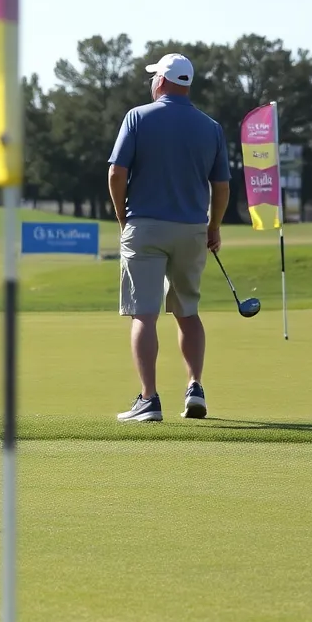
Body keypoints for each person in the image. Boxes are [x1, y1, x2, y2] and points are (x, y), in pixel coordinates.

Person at [108, 53, 230, 423]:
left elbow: (116, 173)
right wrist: (213, 227)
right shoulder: (211, 127)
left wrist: (122, 217)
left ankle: (149, 399)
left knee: (144, 314)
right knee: (187, 312)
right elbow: (221, 186)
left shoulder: (137, 117)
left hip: (145, 226)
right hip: (192, 230)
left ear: (161, 81)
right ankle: (195, 387)